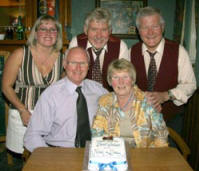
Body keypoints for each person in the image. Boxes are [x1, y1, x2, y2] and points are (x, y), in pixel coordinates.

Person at [24, 47, 108, 152]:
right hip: (60, 152)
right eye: (73, 63)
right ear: (64, 65)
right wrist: (50, 159)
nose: (78, 68)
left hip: (96, 151)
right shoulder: (51, 95)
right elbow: (32, 135)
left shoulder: (99, 91)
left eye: (83, 63)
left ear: (88, 66)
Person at [2, 15, 64, 154]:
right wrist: (22, 110)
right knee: (26, 157)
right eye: (43, 29)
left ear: (57, 35)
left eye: (53, 30)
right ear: (35, 33)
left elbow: (64, 87)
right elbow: (6, 87)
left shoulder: (62, 58)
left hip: (50, 117)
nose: (48, 33)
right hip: (23, 114)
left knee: (46, 158)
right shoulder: (20, 54)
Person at [129, 7, 196, 136]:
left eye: (155, 26)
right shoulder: (131, 52)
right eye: (144, 27)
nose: (150, 32)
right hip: (139, 120)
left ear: (163, 27)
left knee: (168, 155)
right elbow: (127, 85)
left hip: (171, 121)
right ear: (138, 31)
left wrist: (166, 95)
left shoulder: (179, 51)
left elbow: (190, 85)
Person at [92, 59, 168, 148]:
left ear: (132, 80)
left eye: (125, 77)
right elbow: (97, 134)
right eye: (115, 77)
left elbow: (161, 135)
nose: (121, 82)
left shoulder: (147, 101)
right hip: (113, 154)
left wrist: (150, 158)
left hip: (143, 154)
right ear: (110, 81)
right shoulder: (105, 102)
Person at [69, 7, 129, 91]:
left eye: (104, 30)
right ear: (86, 30)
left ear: (110, 31)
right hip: (82, 96)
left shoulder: (120, 46)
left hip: (111, 97)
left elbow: (125, 80)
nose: (99, 35)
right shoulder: (76, 43)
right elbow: (70, 76)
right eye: (94, 29)